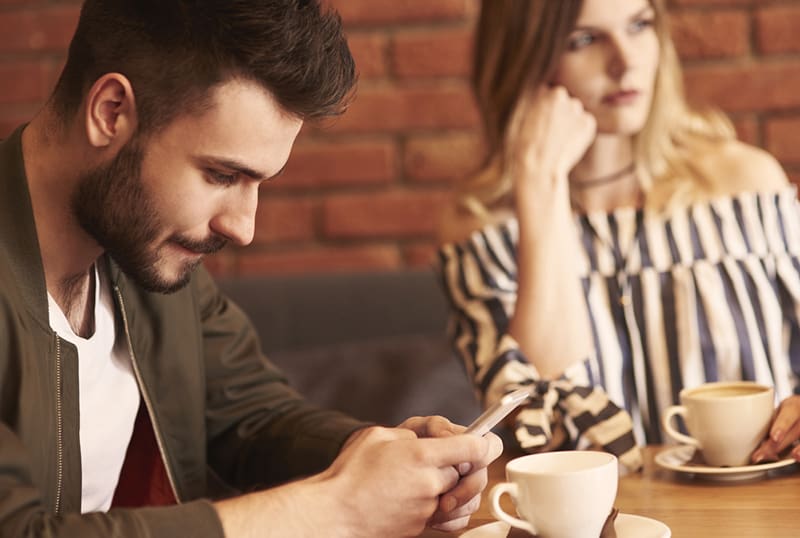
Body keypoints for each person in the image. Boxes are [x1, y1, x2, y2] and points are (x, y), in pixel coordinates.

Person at [0, 1, 503, 536]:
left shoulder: (144, 253)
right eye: (221, 175)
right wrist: (337, 508)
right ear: (110, 112)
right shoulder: (150, 239)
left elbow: (252, 415)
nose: (243, 228)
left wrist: (382, 458)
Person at [436, 0, 800, 466]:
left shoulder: (746, 187)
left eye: (639, 25)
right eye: (584, 40)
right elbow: (539, 430)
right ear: (524, 58)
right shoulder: (481, 231)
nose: (626, 62)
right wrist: (540, 185)